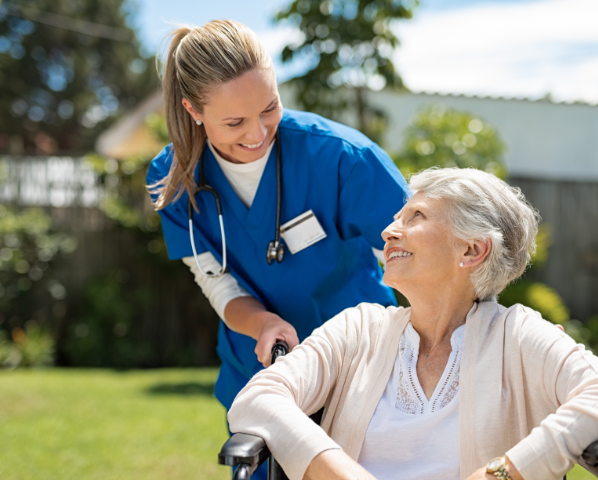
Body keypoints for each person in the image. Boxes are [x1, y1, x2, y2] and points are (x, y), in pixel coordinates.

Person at [228, 167, 598, 480]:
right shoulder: (358, 329)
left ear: (472, 250)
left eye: (415, 216)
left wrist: (504, 472)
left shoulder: (520, 335)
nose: (389, 230)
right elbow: (257, 399)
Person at [146, 19, 407, 422]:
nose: (258, 132)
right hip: (261, 376)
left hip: (361, 371)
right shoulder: (173, 180)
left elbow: (418, 260)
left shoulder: (343, 158)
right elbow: (216, 281)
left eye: (270, 107)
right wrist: (263, 324)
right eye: (234, 123)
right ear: (193, 110)